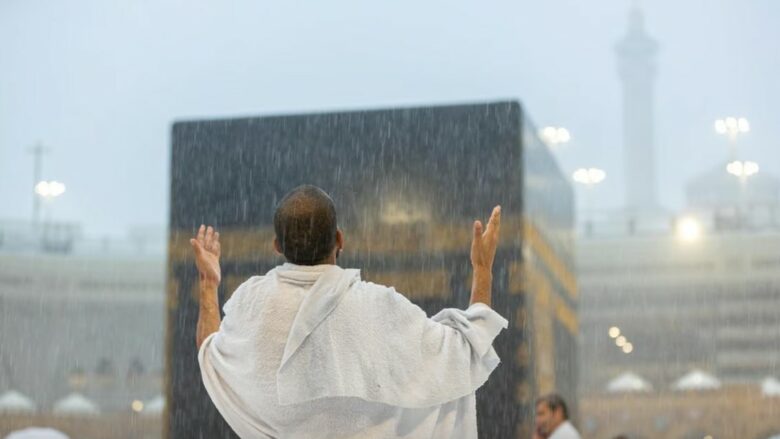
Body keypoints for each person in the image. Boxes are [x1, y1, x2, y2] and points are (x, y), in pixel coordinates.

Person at [191, 185, 508, 439]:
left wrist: (209, 283)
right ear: (340, 238)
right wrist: (483, 270)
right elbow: (466, 351)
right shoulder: (379, 307)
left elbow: (210, 355)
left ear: (276, 245)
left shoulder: (252, 304)